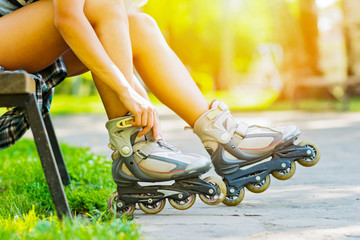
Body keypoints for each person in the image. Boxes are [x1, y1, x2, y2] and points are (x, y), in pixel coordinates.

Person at [0, 0, 308, 213]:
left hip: (24, 38)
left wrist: (135, 91)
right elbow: (68, 17)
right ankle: (134, 148)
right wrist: (126, 90)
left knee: (139, 24)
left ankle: (221, 136)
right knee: (103, 5)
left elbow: (112, 30)